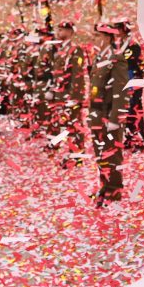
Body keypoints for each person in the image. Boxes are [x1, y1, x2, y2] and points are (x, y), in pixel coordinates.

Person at [88, 23, 129, 207]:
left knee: (112, 154)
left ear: (107, 37)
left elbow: (121, 89)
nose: (94, 39)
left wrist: (116, 118)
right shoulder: (99, 58)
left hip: (109, 112)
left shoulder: (116, 58)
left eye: (97, 36)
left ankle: (114, 190)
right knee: (100, 153)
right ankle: (104, 186)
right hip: (97, 113)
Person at [50, 21, 88, 167]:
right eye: (59, 29)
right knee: (66, 125)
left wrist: (75, 97)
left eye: (62, 30)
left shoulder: (75, 50)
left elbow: (77, 75)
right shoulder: (61, 49)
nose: (59, 32)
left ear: (70, 32)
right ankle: (71, 153)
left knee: (75, 125)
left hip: (71, 95)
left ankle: (77, 156)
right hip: (61, 94)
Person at [116, 21, 144, 152]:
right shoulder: (120, 44)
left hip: (134, 79)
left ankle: (139, 141)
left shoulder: (132, 44)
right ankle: (129, 138)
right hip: (124, 79)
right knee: (126, 110)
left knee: (135, 109)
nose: (116, 31)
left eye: (118, 28)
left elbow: (130, 62)